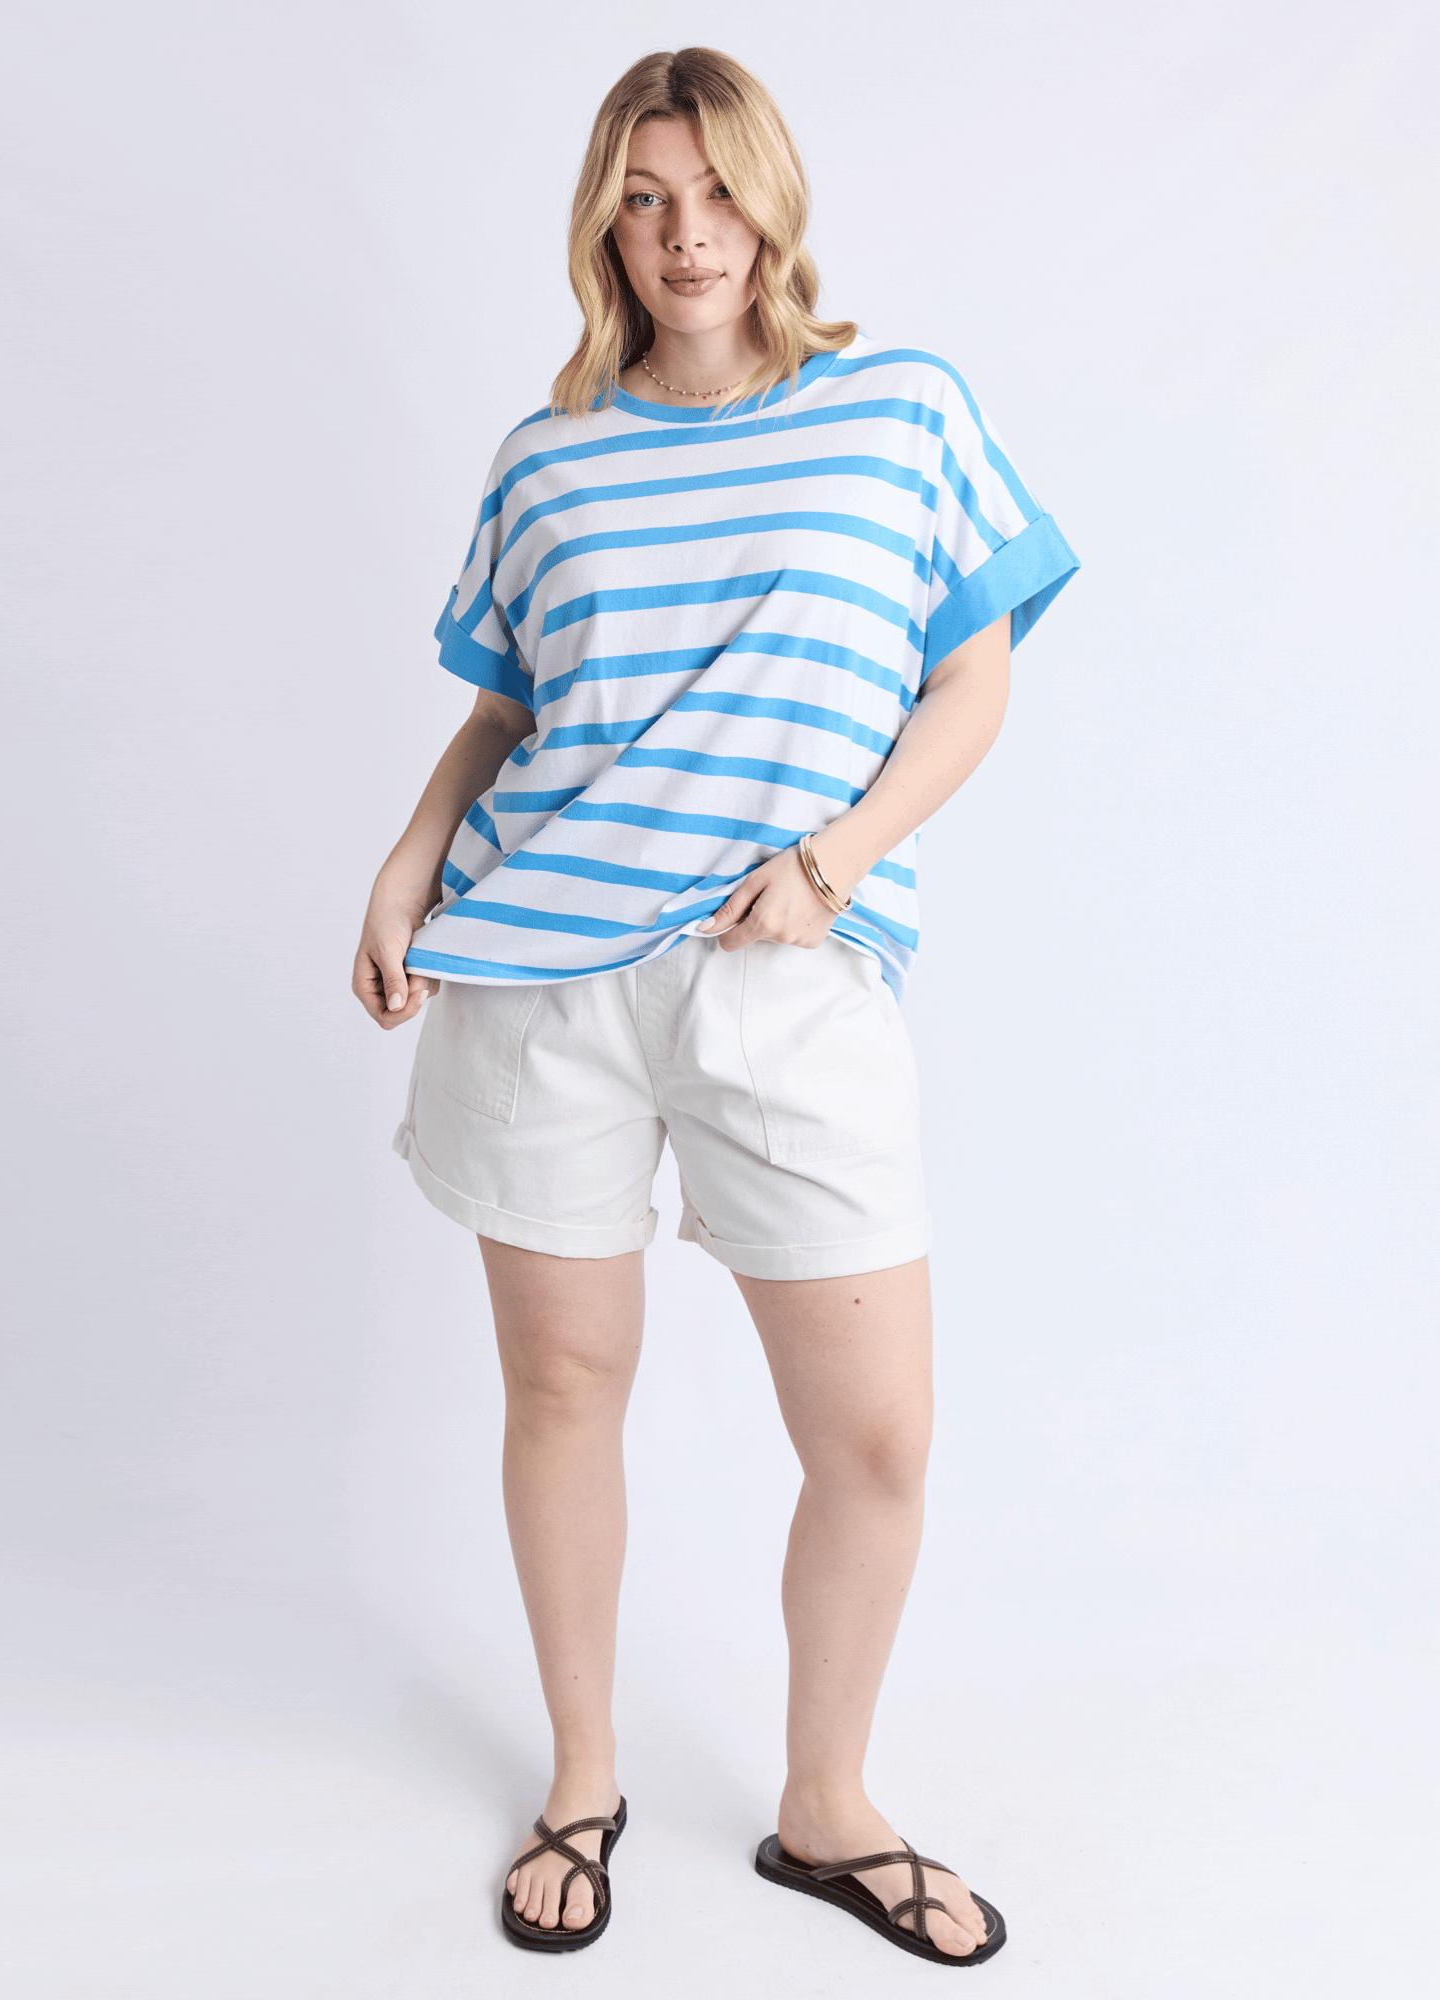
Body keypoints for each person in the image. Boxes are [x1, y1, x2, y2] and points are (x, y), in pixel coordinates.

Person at [353, 45, 1076, 1966]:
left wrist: (834, 861)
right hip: (541, 978)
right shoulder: (549, 455)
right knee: (563, 1391)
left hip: (792, 973)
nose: (687, 236)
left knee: (878, 1441)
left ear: (774, 198)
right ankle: (582, 1782)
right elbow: (512, 709)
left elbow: (975, 678)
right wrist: (409, 864)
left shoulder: (898, 407)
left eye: (719, 192)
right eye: (646, 200)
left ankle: (827, 1807)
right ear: (606, 223)